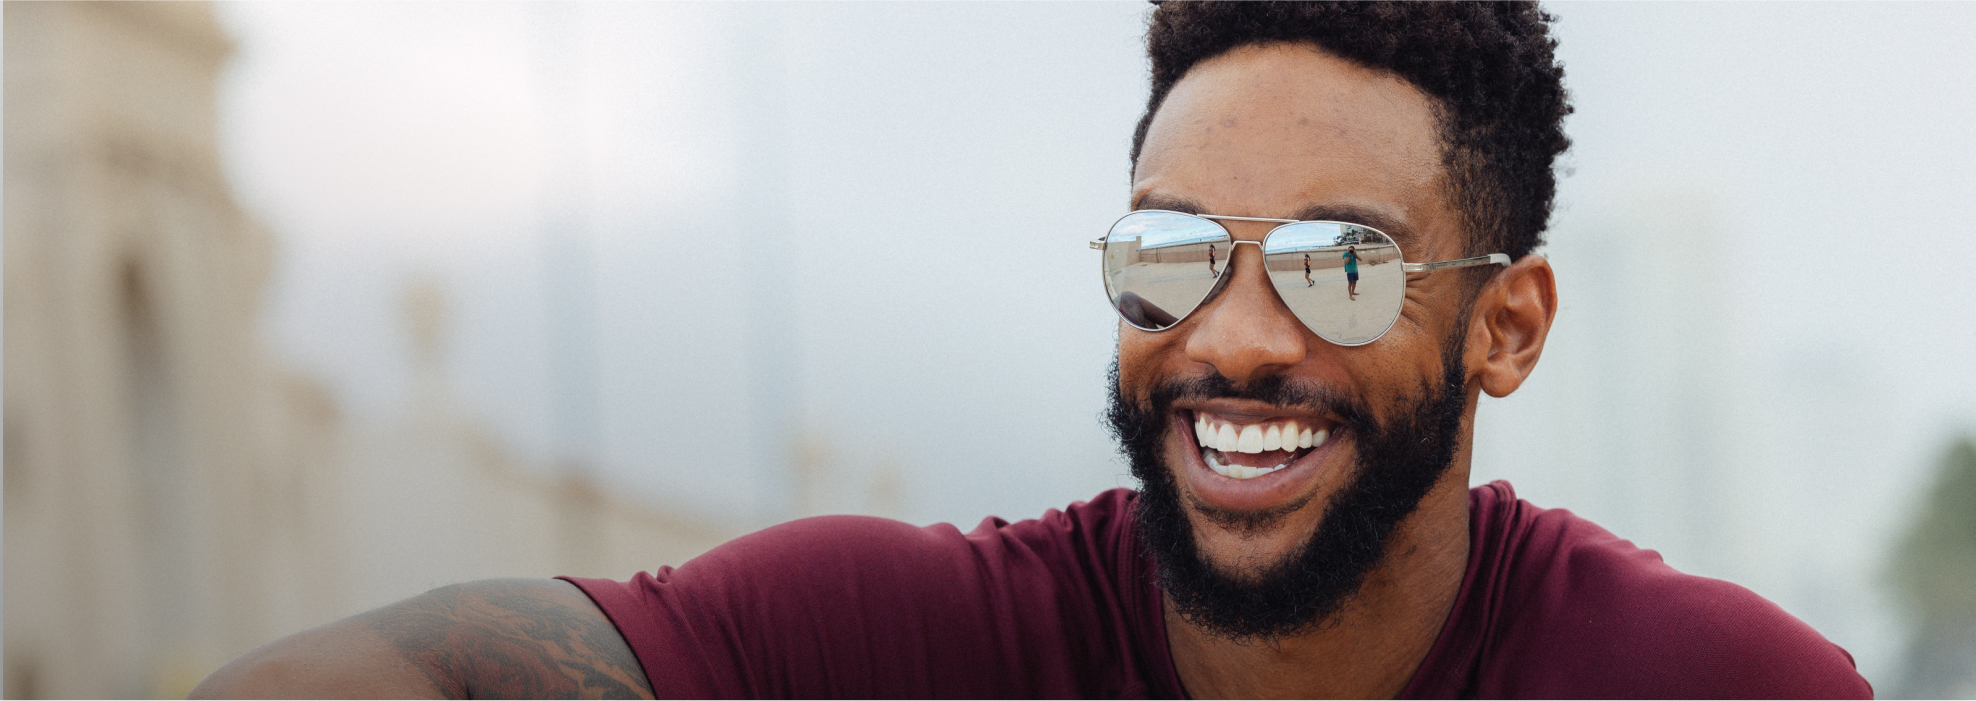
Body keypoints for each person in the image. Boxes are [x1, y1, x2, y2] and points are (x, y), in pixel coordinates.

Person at [193, 3, 1873, 698]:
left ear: (1506, 324)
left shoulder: (1711, 681)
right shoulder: (914, 644)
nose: (1229, 339)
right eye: (1170, 255)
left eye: (1337, 268)